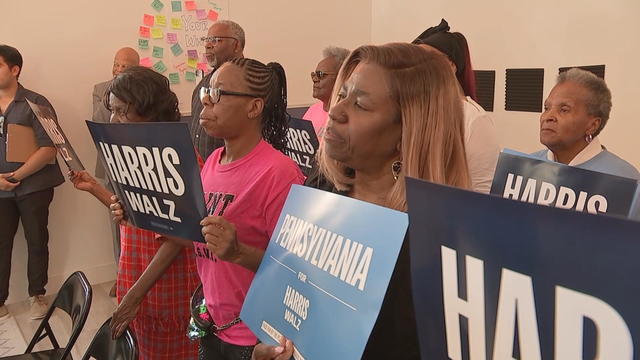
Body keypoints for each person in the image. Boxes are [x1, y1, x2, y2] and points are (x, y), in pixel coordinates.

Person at [258, 43, 471, 359]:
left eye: (360, 104)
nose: (336, 110)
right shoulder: (320, 190)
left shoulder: (436, 242)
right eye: (342, 94)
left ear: (407, 130)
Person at [112, 57, 305, 360]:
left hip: (253, 332)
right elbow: (196, 238)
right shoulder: (214, 162)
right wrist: (141, 214)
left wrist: (239, 251)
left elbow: (297, 271)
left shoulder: (279, 173)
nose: (205, 104)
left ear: (254, 107)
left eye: (217, 95)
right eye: (205, 93)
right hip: (212, 319)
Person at [70, 66, 200, 359]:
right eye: (112, 111)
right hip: (136, 276)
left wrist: (134, 296)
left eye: (122, 112)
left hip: (166, 290)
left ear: (150, 111)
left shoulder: (178, 161)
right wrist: (98, 191)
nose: (114, 120)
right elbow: (139, 218)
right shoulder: (135, 155)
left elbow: (177, 236)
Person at [0, 45, 64, 321]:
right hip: (0, 189)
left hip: (34, 186)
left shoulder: (36, 103)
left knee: (37, 239)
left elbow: (50, 147)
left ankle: (37, 295)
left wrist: (16, 176)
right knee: (1, 243)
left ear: (15, 70)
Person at [413, 19, 500, 193]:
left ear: (451, 65)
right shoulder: (416, 112)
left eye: (427, 59)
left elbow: (484, 190)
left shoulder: (473, 119)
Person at [532, 67, 640, 180]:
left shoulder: (624, 179)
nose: (548, 117)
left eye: (564, 110)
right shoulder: (525, 167)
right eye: (546, 108)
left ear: (592, 125)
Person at [91, 46, 139, 297]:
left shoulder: (145, 91)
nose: (118, 69)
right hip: (112, 167)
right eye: (116, 64)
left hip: (140, 165)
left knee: (138, 225)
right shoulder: (101, 90)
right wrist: (114, 91)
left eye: (125, 66)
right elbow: (100, 122)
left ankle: (139, 276)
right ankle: (121, 275)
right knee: (117, 221)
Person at [191, 20, 246, 160]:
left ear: (236, 45)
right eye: (207, 40)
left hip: (233, 172)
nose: (208, 45)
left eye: (215, 40)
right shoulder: (203, 83)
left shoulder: (248, 84)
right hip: (203, 173)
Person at [302, 46, 349, 136]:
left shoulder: (348, 117)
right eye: (314, 74)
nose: (315, 79)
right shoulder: (312, 110)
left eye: (320, 74)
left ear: (340, 78)